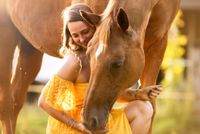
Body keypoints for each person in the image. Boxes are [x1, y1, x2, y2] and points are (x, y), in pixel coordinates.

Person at [38, 3, 162, 134]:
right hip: (76, 126)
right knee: (143, 110)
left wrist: (137, 94)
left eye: (85, 32)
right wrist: (78, 126)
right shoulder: (74, 61)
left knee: (144, 108)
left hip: (93, 119)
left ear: (96, 26)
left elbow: (103, 92)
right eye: (75, 35)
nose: (81, 39)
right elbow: (44, 102)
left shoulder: (99, 57)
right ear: (70, 37)